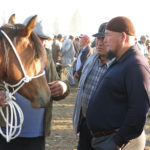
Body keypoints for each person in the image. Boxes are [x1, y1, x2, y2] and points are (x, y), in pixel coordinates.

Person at [0, 19, 70, 150]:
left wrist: (63, 87)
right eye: (39, 38)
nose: (42, 43)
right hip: (8, 131)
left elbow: (60, 82)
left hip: (36, 134)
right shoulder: (10, 55)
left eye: (46, 39)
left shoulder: (47, 57)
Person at [86, 16, 150, 150]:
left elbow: (139, 110)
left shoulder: (135, 65)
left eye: (108, 36)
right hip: (106, 140)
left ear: (123, 37)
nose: (105, 41)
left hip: (116, 142)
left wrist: (119, 140)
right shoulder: (121, 61)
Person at [73, 22, 115, 150]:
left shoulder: (119, 66)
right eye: (98, 39)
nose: (100, 43)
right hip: (86, 124)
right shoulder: (91, 60)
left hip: (107, 132)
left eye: (104, 39)